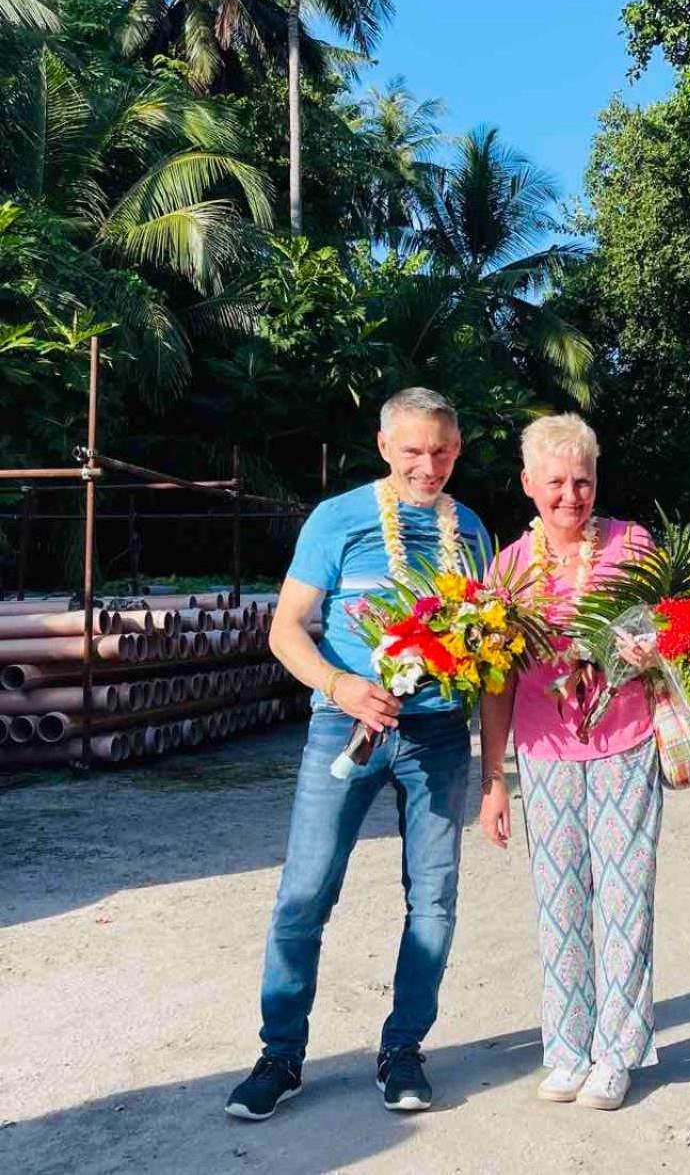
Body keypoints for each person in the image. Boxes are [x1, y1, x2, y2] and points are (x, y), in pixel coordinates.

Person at [226, 388, 491, 1122]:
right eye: (412, 451)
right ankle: (280, 1055)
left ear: (457, 448)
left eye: (440, 451)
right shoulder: (337, 519)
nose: (427, 465)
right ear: (383, 448)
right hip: (343, 730)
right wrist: (341, 686)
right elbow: (286, 630)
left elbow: (491, 638)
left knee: (433, 900)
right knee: (304, 894)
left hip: (438, 736)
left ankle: (403, 1050)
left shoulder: (470, 530)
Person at [478, 414, 661, 1113]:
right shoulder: (508, 569)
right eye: (555, 481)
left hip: (624, 746)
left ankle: (617, 1054)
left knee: (622, 901)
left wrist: (649, 649)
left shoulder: (632, 544)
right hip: (544, 755)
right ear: (528, 484)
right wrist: (494, 781)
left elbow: (664, 639)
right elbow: (494, 682)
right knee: (557, 905)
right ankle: (566, 1050)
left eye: (582, 480)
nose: (570, 495)